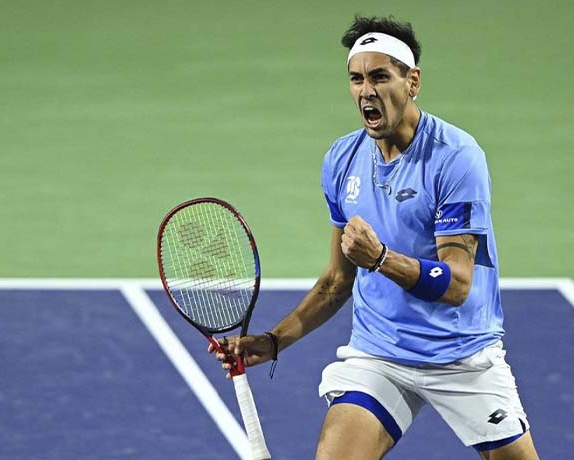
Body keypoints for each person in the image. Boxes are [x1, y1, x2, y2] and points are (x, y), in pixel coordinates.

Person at [211, 15, 540, 460]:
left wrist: (382, 258)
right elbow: (335, 283)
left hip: (463, 357)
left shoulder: (456, 158)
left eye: (380, 76)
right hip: (380, 355)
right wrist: (273, 341)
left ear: (412, 81)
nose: (366, 90)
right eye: (356, 78)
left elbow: (458, 284)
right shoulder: (342, 160)